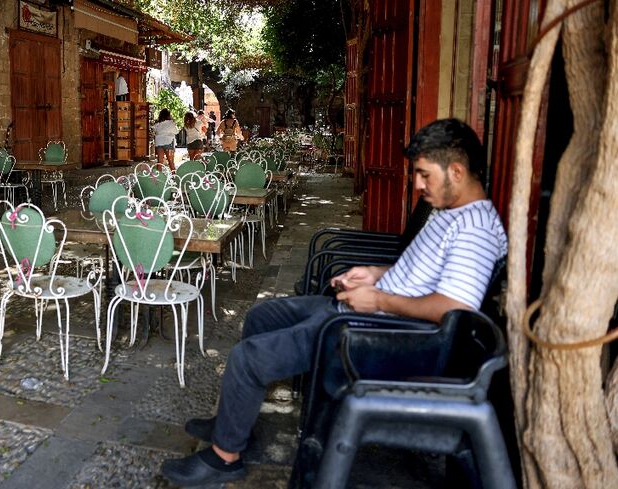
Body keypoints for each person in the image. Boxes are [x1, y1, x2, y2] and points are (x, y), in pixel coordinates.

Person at [160, 118, 508, 486]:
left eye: (424, 174)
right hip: (364, 312)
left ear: (456, 170)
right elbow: (422, 274)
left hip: (378, 336)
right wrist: (375, 273)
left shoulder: (475, 229)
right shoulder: (449, 212)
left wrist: (378, 300)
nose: (417, 184)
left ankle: (224, 457)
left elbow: (455, 308)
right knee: (263, 314)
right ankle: (231, 422)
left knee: (246, 360)